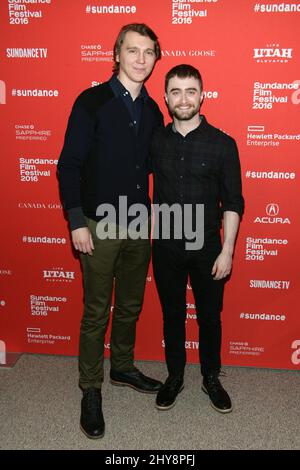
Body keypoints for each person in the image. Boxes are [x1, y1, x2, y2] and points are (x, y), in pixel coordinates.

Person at [57, 23, 163, 439]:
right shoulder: (92, 102)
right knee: (97, 310)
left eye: (148, 52)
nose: (140, 59)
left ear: (155, 59)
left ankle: (121, 366)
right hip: (99, 225)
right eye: (132, 50)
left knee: (132, 303)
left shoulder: (154, 109)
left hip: (139, 223)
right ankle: (90, 388)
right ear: (116, 53)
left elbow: (155, 165)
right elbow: (69, 165)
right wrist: (76, 222)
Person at [151, 64, 244, 413]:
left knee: (210, 316)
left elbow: (233, 202)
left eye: (191, 91)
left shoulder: (223, 144)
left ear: (202, 95)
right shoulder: (155, 140)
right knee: (171, 315)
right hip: (166, 245)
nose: (184, 98)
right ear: (165, 97)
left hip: (207, 245)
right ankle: (174, 376)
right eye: (176, 91)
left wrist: (228, 251)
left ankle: (210, 377)